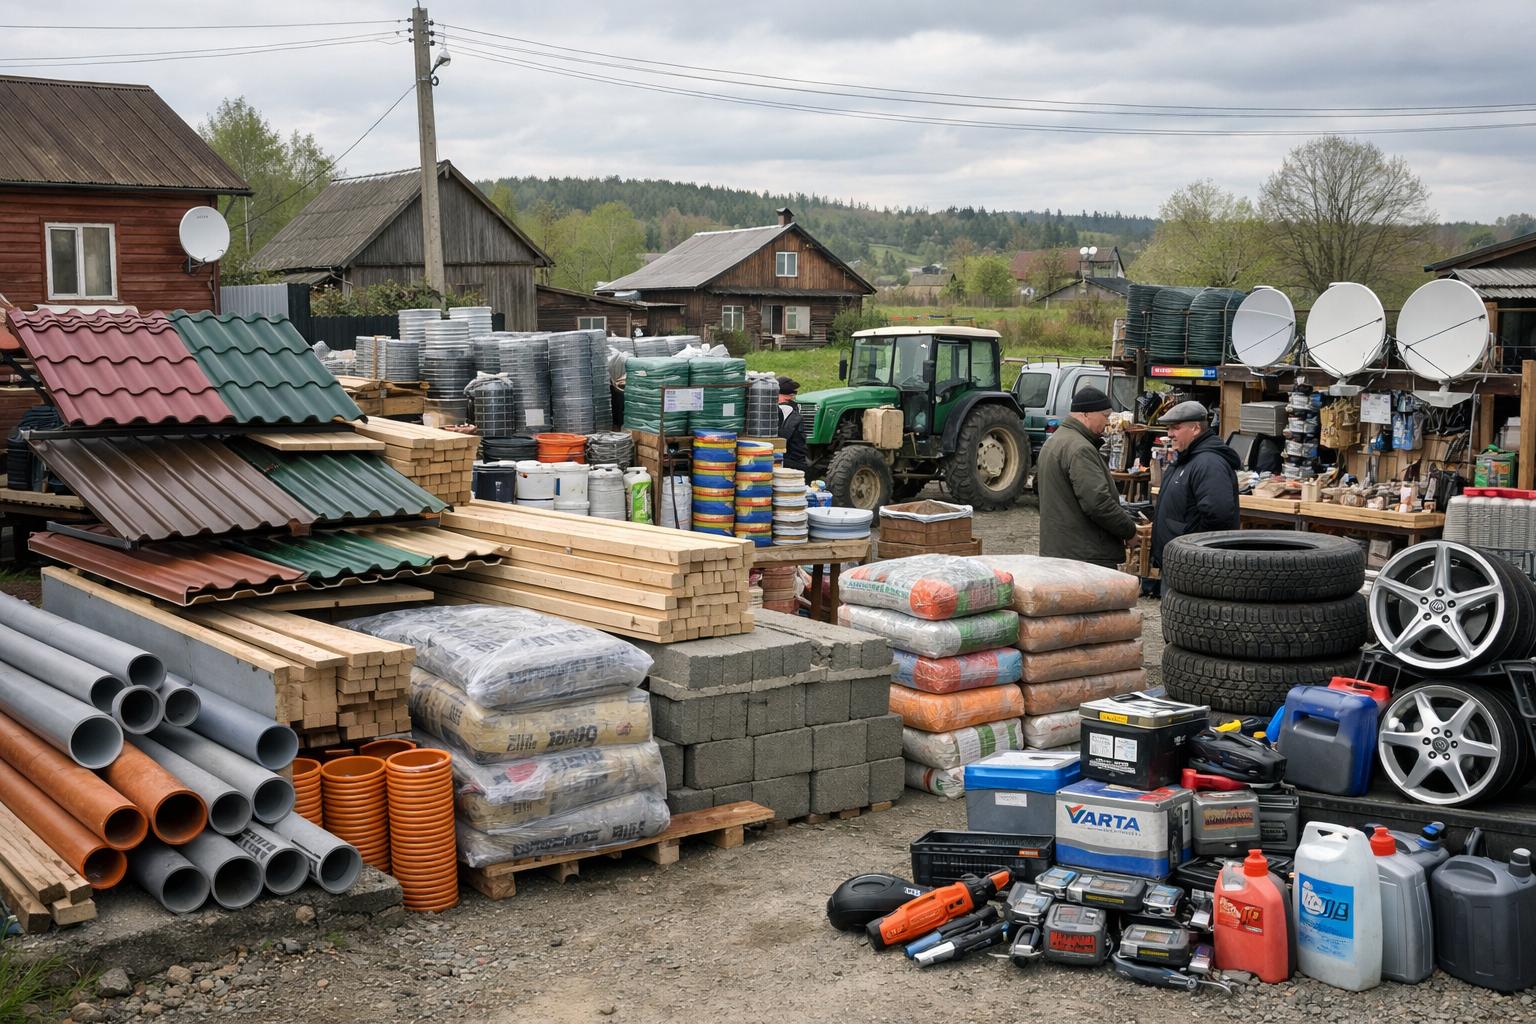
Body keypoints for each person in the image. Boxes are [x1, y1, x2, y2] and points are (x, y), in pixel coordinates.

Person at [1035, 386, 1139, 568]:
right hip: (1084, 556)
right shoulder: (1080, 449)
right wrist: (1129, 531)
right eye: (1105, 416)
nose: (1107, 423)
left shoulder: (1055, 441)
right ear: (1086, 414)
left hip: (1061, 551)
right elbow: (1098, 503)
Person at [1151, 400, 1241, 567]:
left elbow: (1218, 515)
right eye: (1168, 428)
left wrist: (1191, 547)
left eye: (1176, 428)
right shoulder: (1185, 459)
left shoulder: (1209, 463)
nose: (1170, 434)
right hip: (1178, 561)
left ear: (1196, 429)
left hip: (1194, 564)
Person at [776, 376, 810, 472]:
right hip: (796, 463)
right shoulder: (794, 409)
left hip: (789, 465)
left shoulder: (785, 410)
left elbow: (781, 438)